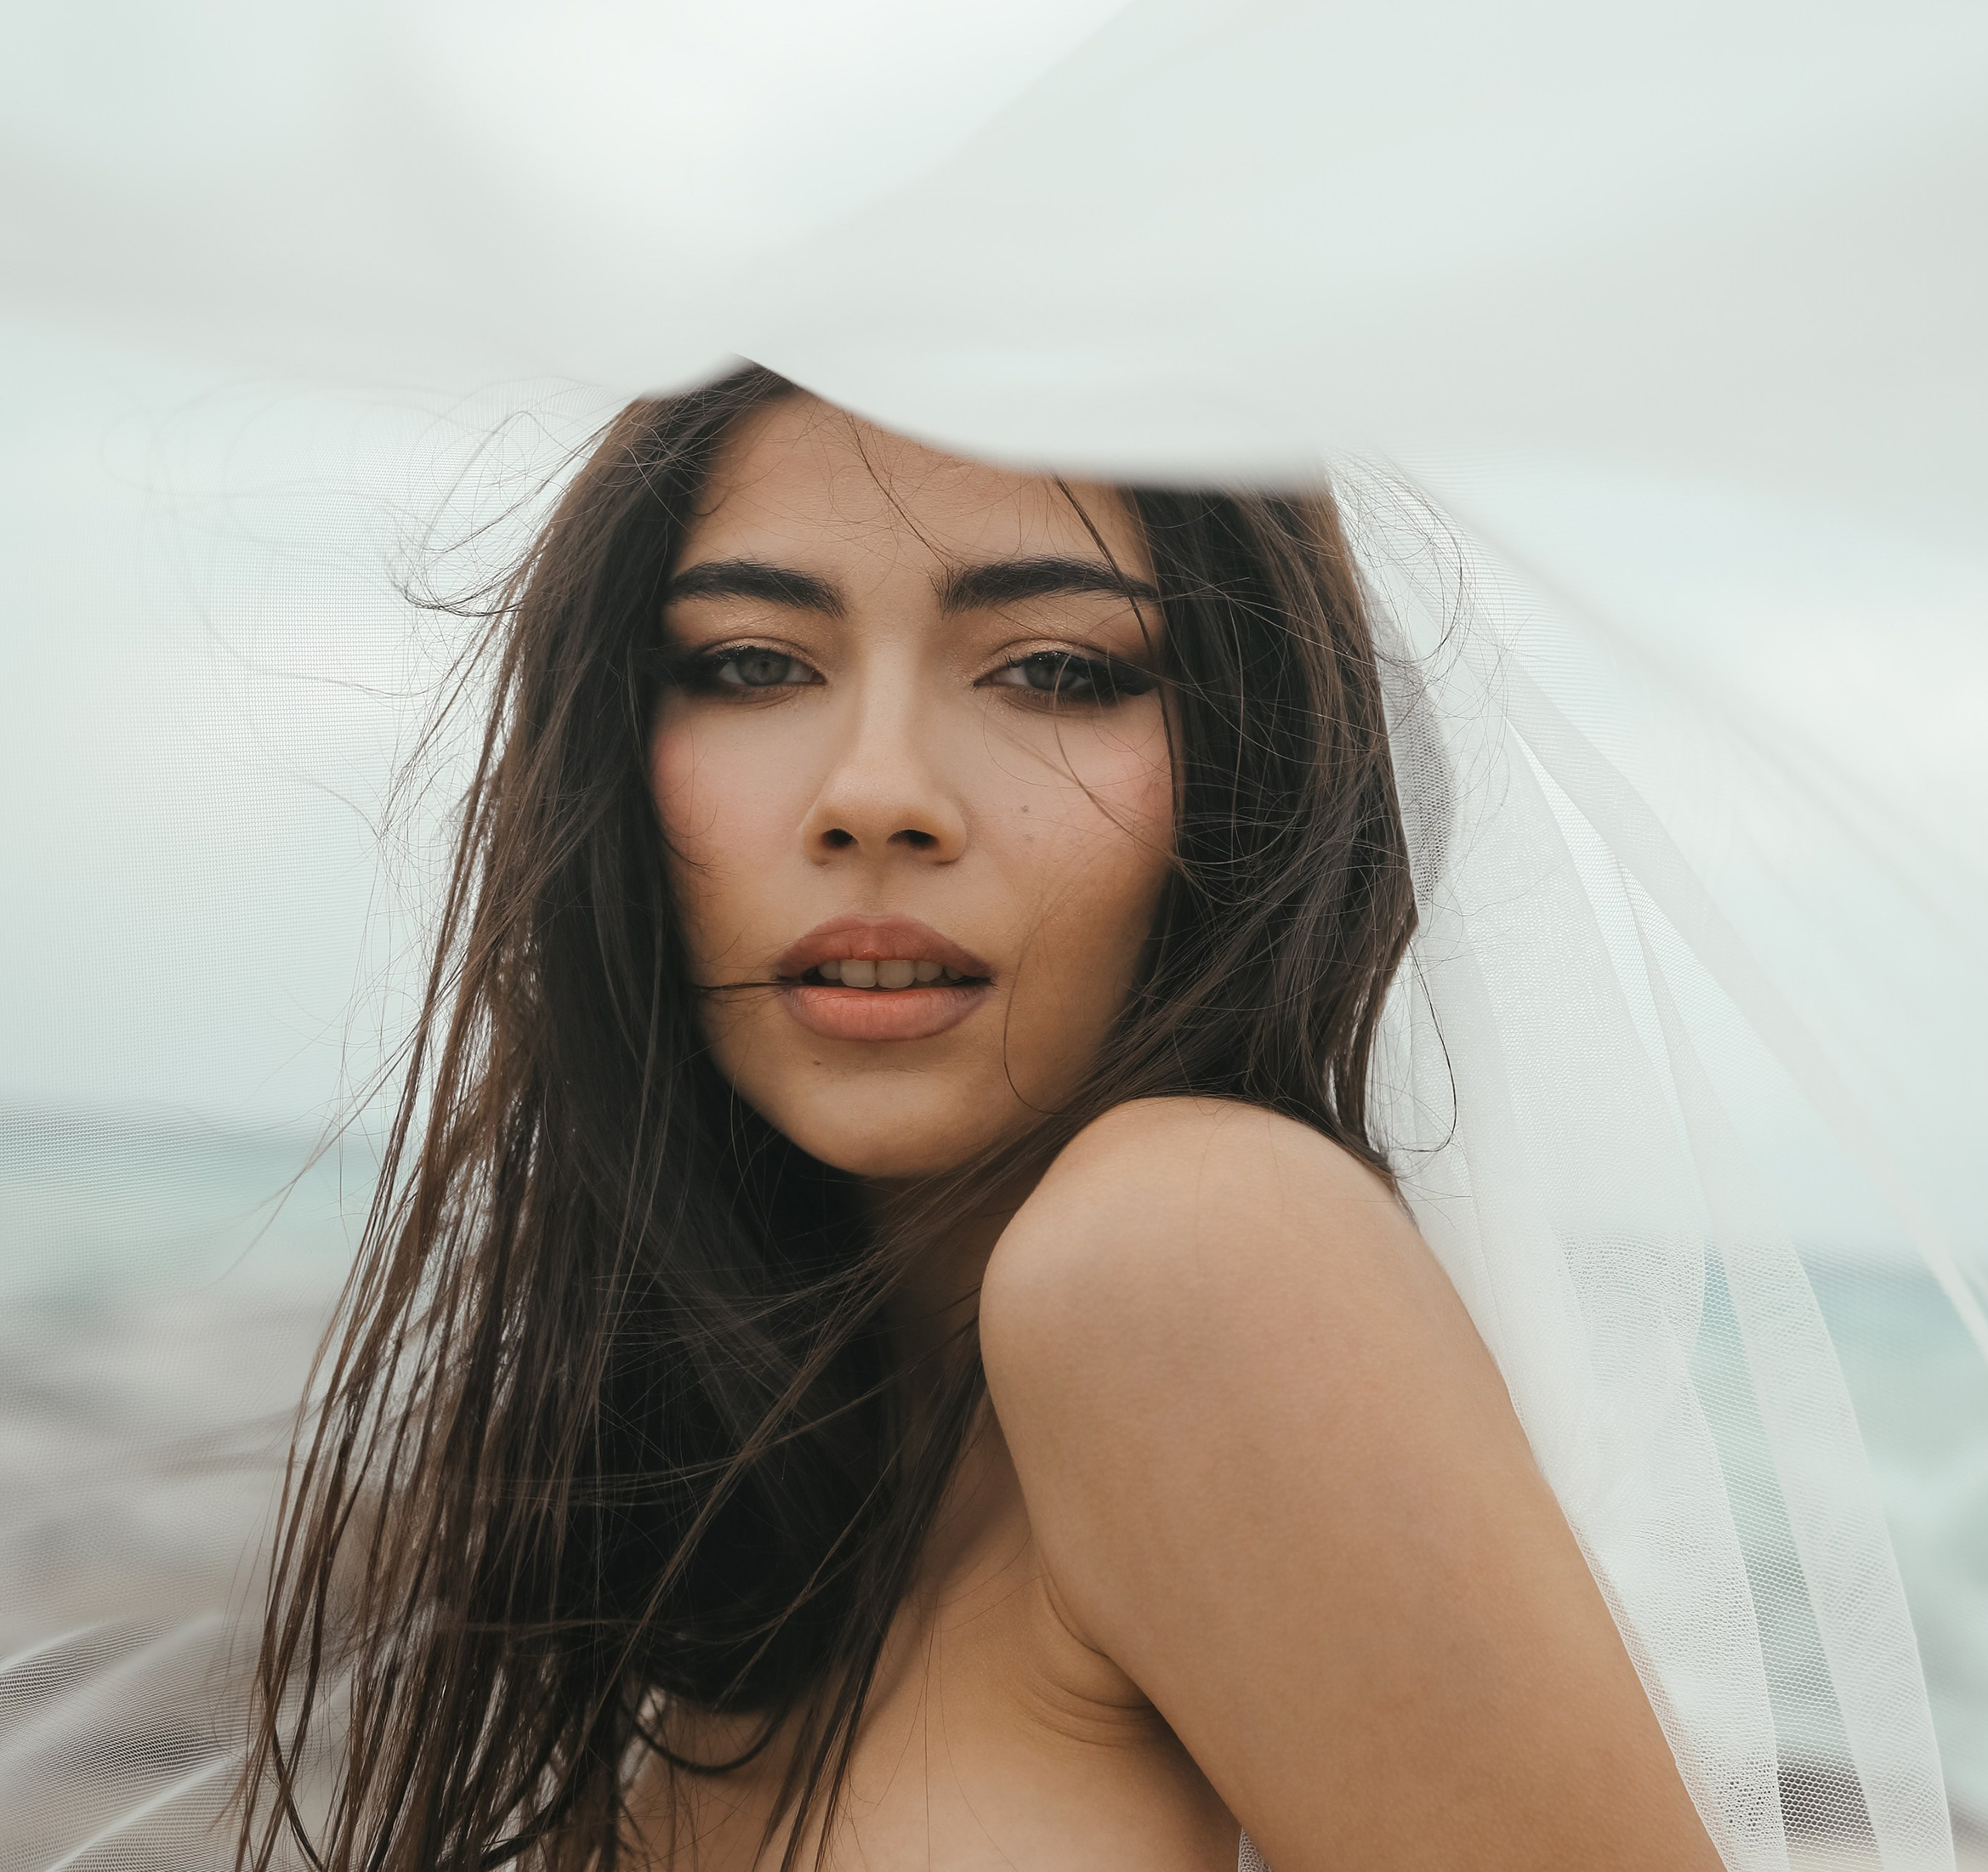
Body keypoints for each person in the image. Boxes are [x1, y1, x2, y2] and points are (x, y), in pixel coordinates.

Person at [238, 366, 1726, 1871]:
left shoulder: (1192, 1243)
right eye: (753, 663)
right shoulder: (795, 1504)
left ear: (1240, 761)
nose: (877, 795)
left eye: (1058, 671)